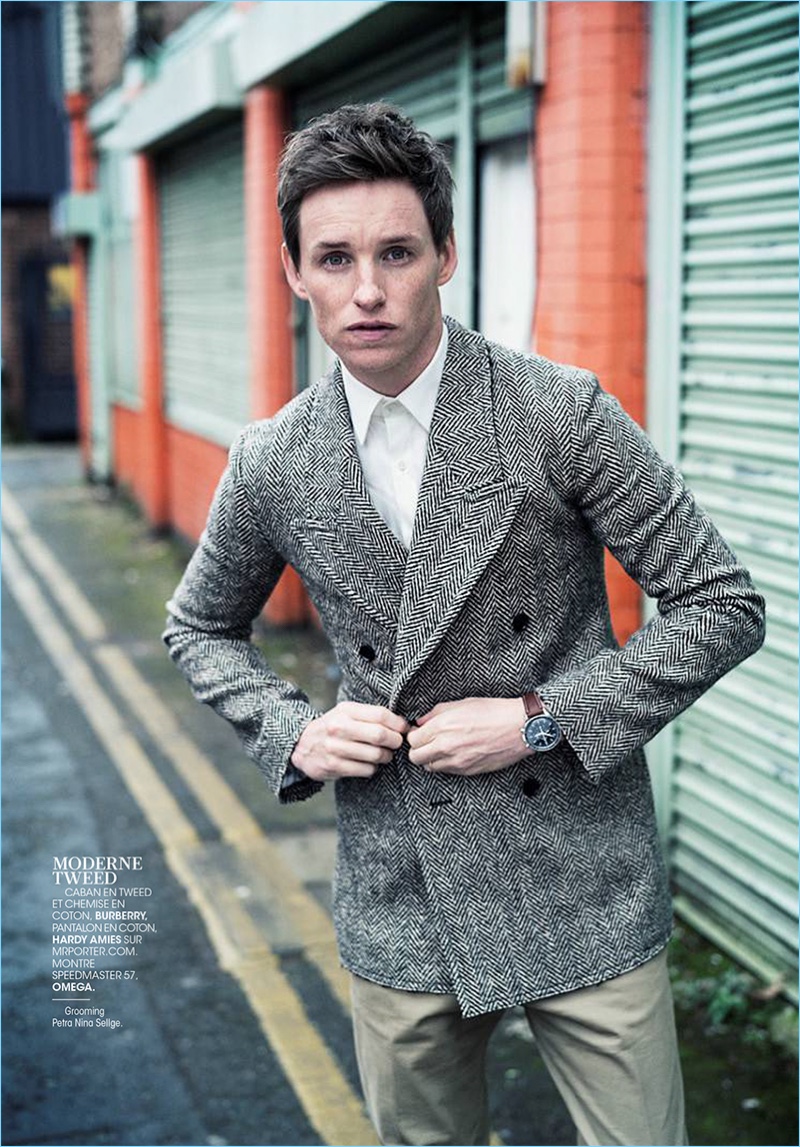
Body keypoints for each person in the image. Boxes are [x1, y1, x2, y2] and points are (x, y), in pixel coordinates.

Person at [164, 102, 766, 1147]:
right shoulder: (273, 461)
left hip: (580, 875)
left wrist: (539, 717)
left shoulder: (555, 412)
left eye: (395, 253)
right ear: (291, 272)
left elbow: (721, 602)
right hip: (400, 883)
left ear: (445, 253)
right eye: (334, 257)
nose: (366, 290)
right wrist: (290, 728)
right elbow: (199, 627)